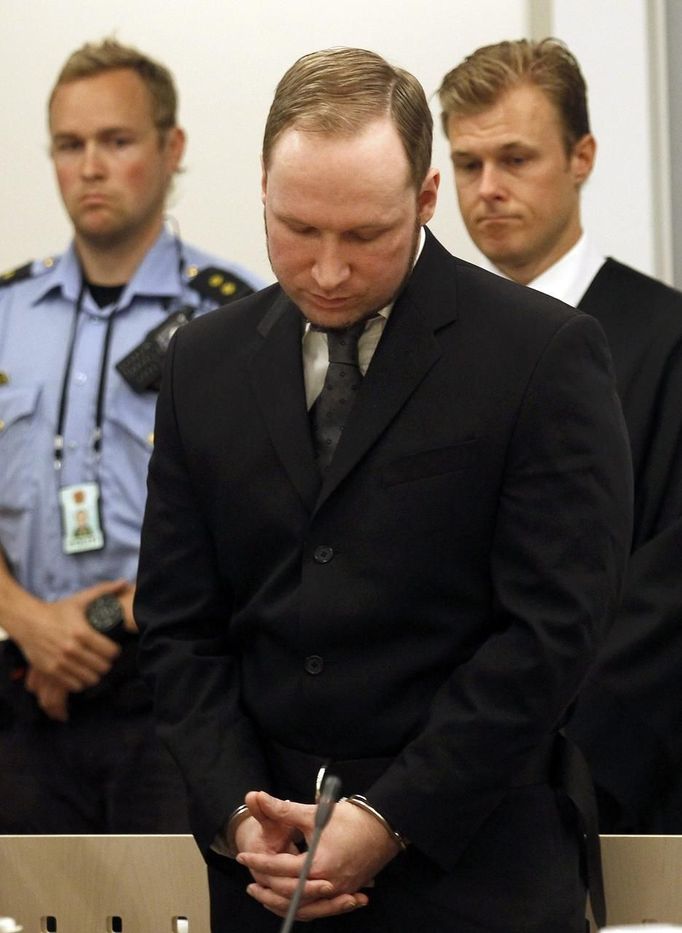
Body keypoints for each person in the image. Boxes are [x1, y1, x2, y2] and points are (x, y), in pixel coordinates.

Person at [135, 47, 632, 932]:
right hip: (265, 878)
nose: (327, 270)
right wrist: (241, 813)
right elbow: (179, 626)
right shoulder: (202, 364)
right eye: (296, 229)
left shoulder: (541, 355)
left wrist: (388, 816)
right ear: (261, 189)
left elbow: (552, 631)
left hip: (476, 868)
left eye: (365, 235)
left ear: (426, 199)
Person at [0, 37, 264, 834]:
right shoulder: (8, 313)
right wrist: (26, 619)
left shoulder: (235, 315)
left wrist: (106, 621)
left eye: (116, 142)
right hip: (25, 687)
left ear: (170, 147)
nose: (90, 167)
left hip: (175, 691)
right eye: (70, 145)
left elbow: (262, 517)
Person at [438, 37, 682, 834]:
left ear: (582, 156)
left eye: (516, 158)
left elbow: (668, 579)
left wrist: (558, 750)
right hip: (440, 784)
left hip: (614, 773)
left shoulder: (666, 338)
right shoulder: (423, 350)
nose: (490, 189)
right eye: (468, 164)